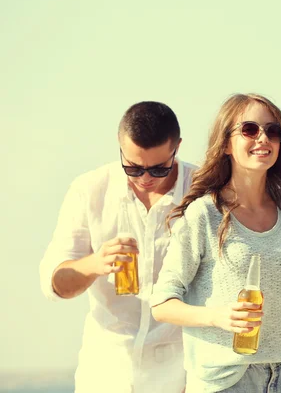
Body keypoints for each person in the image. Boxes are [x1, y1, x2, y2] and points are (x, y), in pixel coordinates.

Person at [150, 93, 281, 393]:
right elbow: (161, 304)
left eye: (273, 131)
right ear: (227, 143)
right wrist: (217, 316)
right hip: (224, 382)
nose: (263, 138)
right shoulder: (204, 214)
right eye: (249, 129)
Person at [40, 101, 196, 392]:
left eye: (159, 169)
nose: (145, 179)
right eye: (133, 167)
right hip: (105, 371)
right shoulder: (89, 190)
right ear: (119, 144)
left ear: (177, 147)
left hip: (180, 374)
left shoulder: (203, 192)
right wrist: (94, 264)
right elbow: (55, 285)